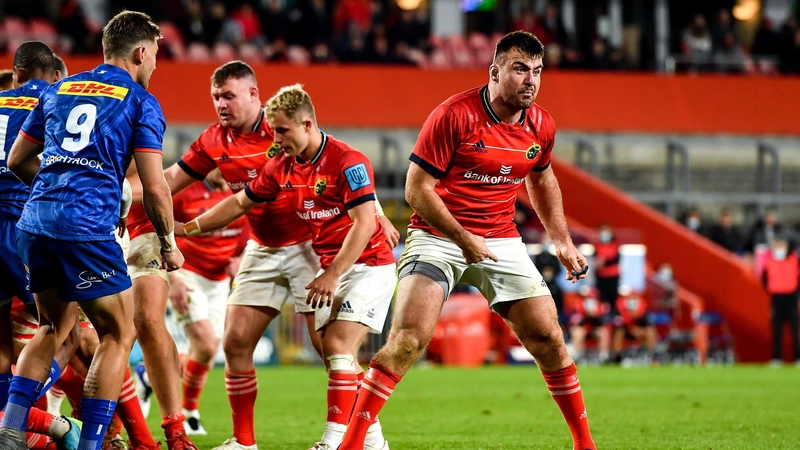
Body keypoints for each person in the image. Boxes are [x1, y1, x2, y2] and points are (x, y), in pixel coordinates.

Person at [339, 30, 596, 450]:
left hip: (501, 240)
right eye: (520, 69)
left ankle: (585, 444)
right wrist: (463, 238)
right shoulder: (453, 115)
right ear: (494, 72)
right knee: (407, 341)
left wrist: (562, 240)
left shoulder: (541, 125)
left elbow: (542, 178)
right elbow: (416, 189)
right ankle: (350, 446)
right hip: (438, 236)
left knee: (549, 338)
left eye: (537, 71)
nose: (530, 80)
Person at [0, 11, 185, 450]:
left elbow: (17, 160)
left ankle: (11, 429)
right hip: (85, 227)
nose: (154, 64)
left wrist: (52, 195)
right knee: (117, 333)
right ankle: (91, 444)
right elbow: (155, 187)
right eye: (155, 56)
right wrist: (168, 244)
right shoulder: (140, 101)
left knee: (51, 327)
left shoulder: (60, 89)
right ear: (141, 53)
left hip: (34, 224)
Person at [175, 84, 396, 450]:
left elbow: (364, 222)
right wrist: (189, 228)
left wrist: (332, 272)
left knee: (335, 348)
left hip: (367, 265)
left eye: (281, 131)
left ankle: (333, 441)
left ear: (306, 124)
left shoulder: (347, 160)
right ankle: (370, 441)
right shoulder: (282, 165)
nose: (274, 139)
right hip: (322, 263)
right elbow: (239, 203)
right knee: (332, 353)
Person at [0, 40, 82, 450]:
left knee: (2, 348)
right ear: (56, 76)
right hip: (26, 227)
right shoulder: (58, 100)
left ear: (16, 74)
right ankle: (32, 422)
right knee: (67, 335)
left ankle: (13, 426)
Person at [168, 168, 249, 435]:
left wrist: (240, 260)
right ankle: (189, 412)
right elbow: (159, 232)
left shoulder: (243, 193)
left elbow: (250, 237)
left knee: (207, 352)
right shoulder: (184, 192)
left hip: (219, 282)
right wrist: (172, 279)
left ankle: (152, 373)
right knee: (204, 343)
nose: (225, 171)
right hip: (187, 274)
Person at [762, 238, 800, 365]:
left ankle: (797, 357)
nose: (778, 249)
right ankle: (777, 358)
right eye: (776, 246)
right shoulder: (769, 262)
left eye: (781, 245)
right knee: (777, 331)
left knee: (795, 331)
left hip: (791, 299)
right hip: (777, 299)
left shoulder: (795, 260)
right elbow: (764, 280)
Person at [569, 286, 610, 364]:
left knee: (603, 332)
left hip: (594, 328)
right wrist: (586, 315)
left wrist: (596, 315)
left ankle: (603, 357)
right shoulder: (578, 303)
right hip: (583, 328)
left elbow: (602, 322)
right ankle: (577, 355)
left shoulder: (600, 305)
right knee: (577, 332)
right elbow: (576, 321)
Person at [594, 223, 620, 311]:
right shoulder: (597, 246)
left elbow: (615, 259)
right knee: (602, 298)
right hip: (601, 276)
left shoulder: (615, 245)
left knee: (613, 297)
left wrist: (605, 262)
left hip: (612, 276)